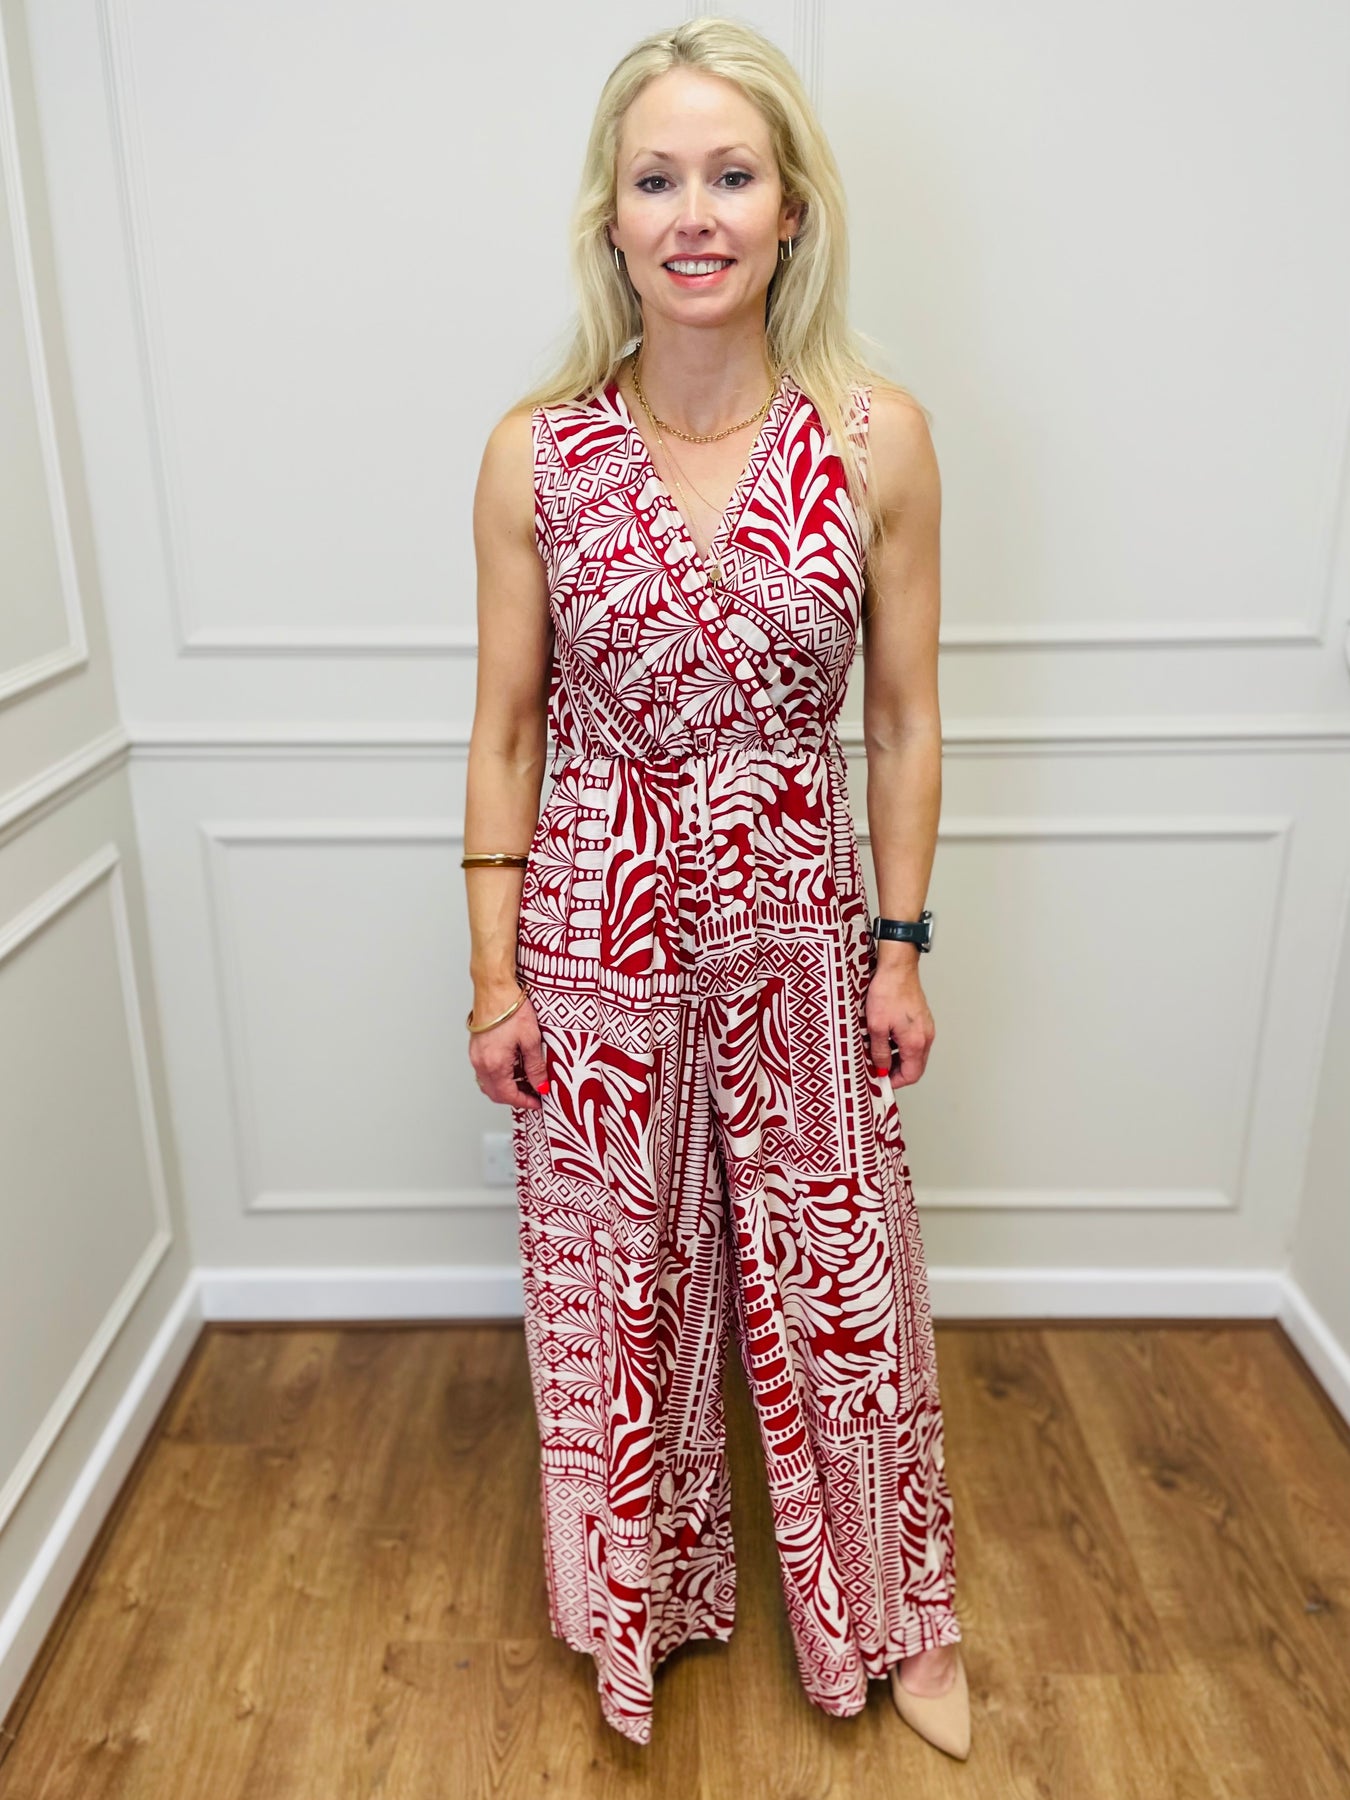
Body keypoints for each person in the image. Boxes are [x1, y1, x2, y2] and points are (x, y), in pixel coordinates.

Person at [462, 16, 969, 1759]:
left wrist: (899, 947)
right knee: (619, 1289)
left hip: (802, 937)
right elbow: (505, 729)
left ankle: (895, 1615)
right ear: (609, 219)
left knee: (842, 1276)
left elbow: (899, 721)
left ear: (789, 209)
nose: (695, 213)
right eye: (657, 178)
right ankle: (639, 1608)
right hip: (593, 937)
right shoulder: (537, 456)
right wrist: (493, 977)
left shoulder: (877, 439)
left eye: (731, 176)